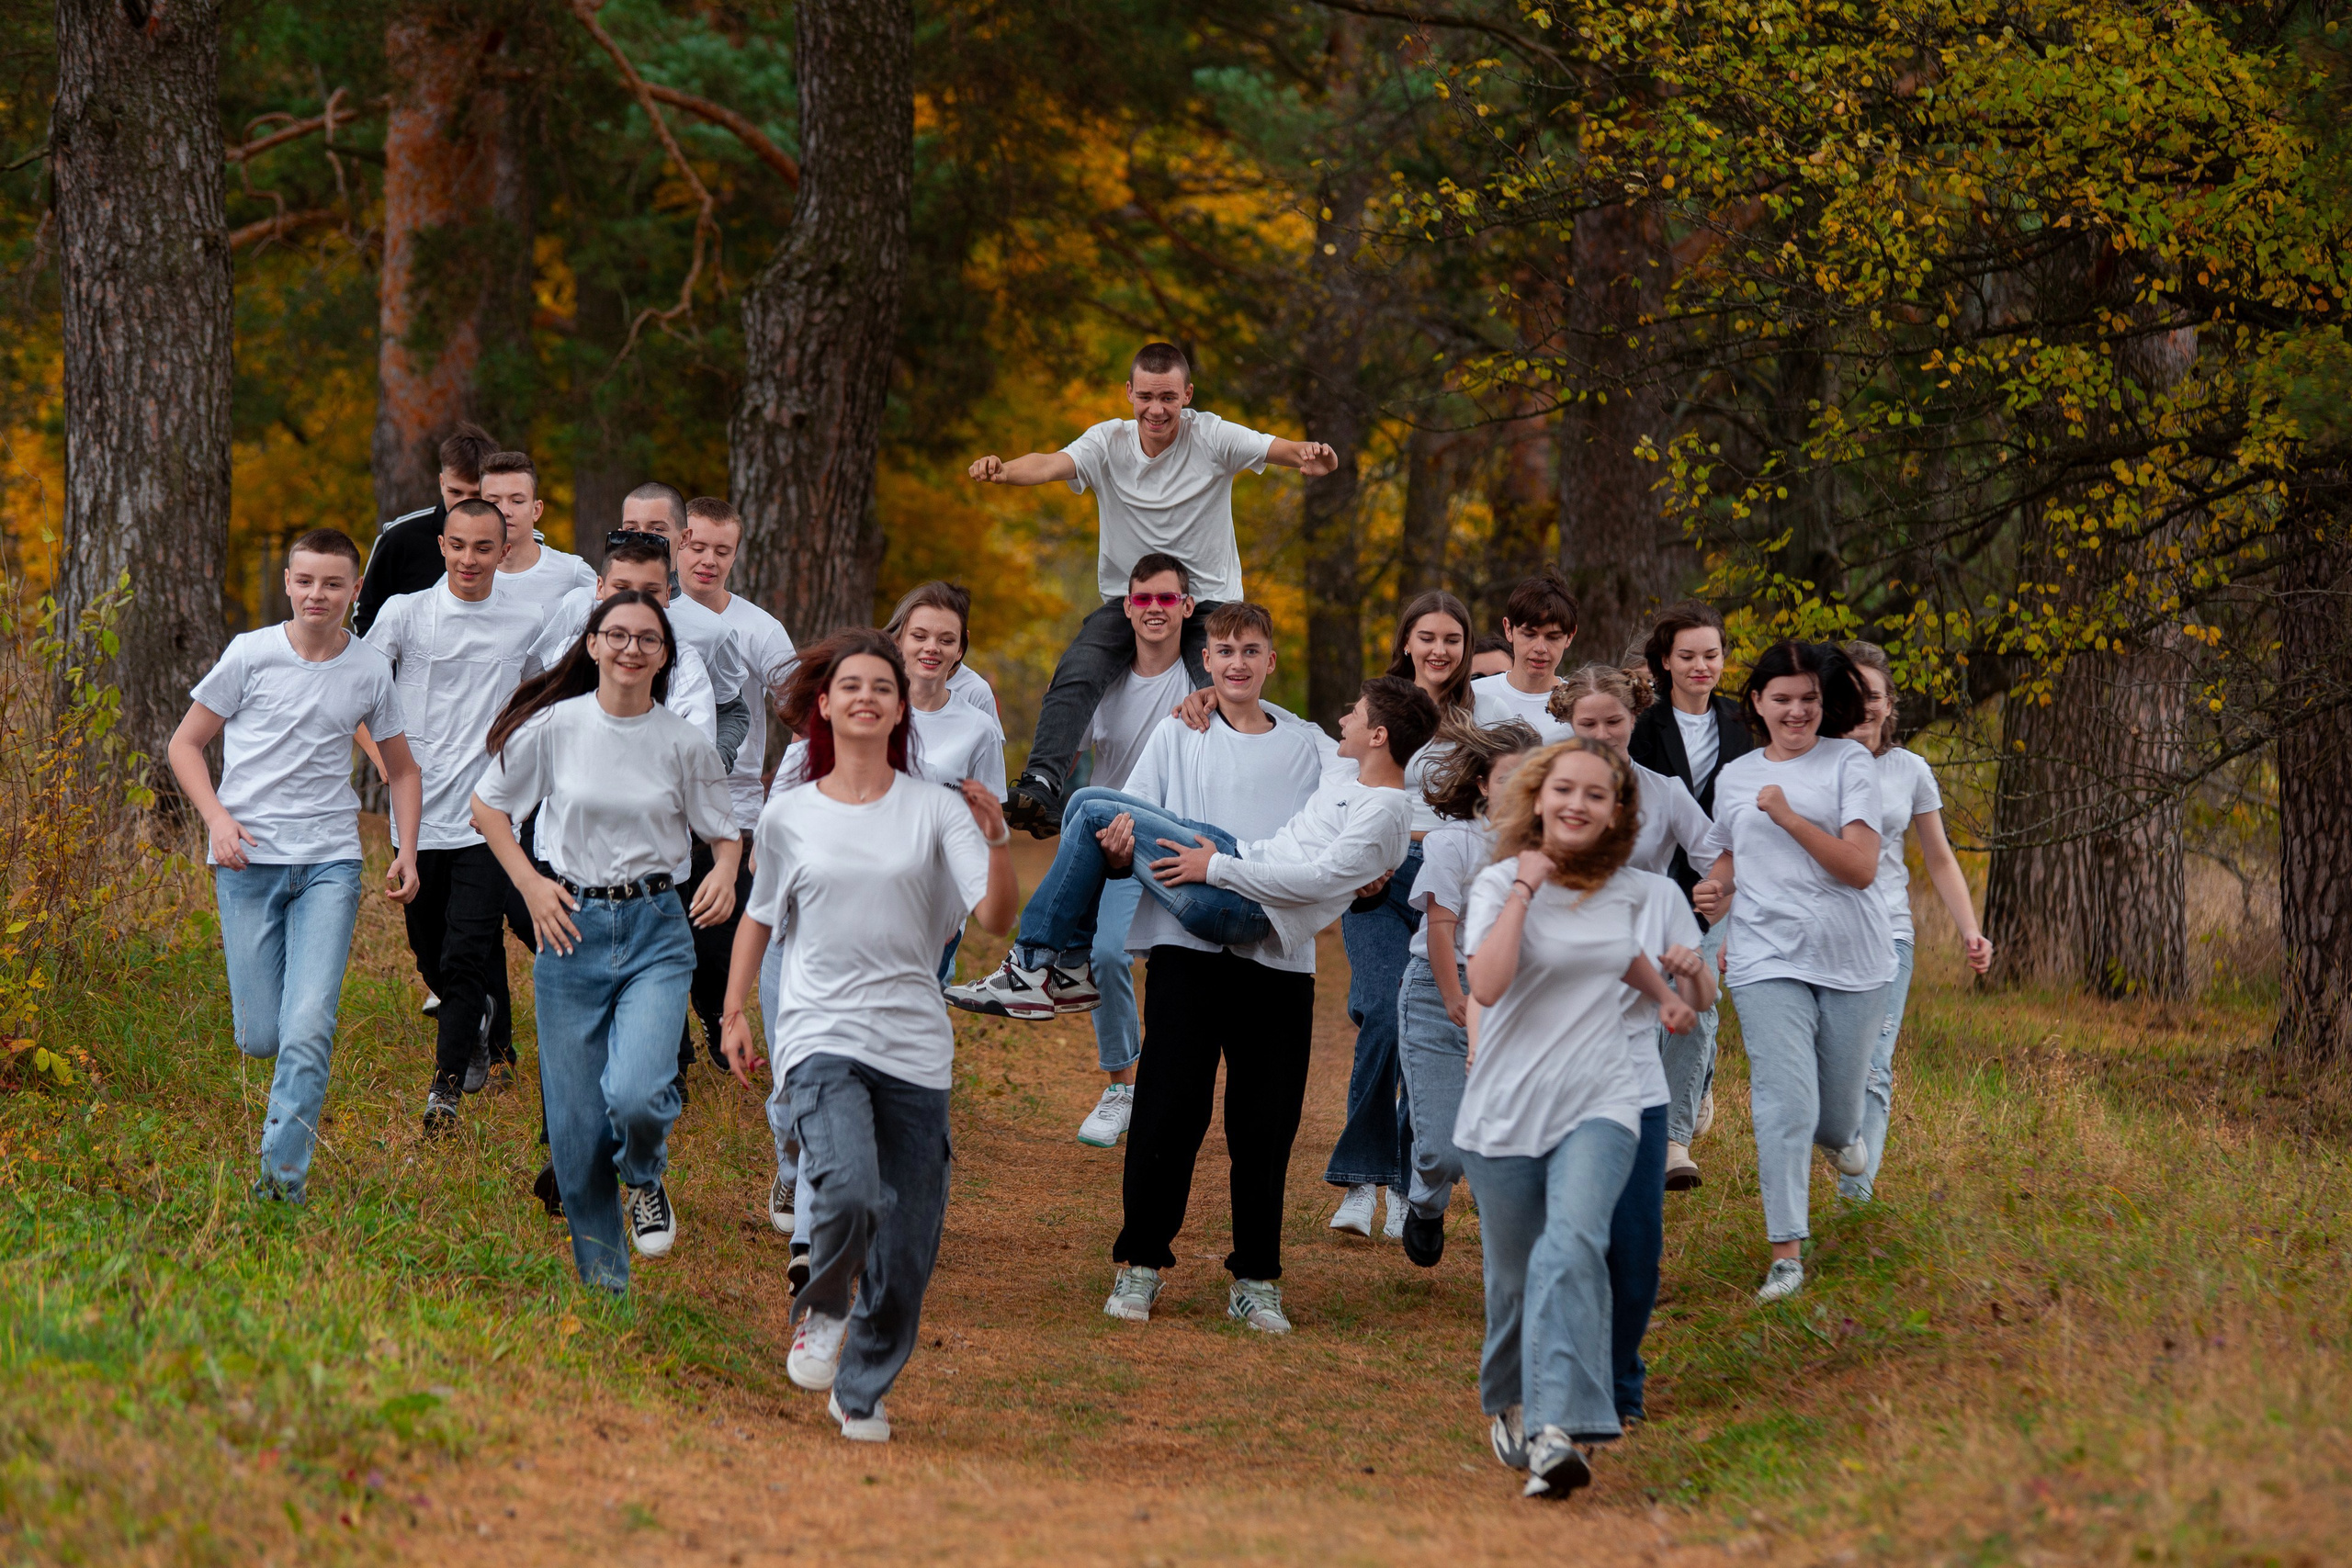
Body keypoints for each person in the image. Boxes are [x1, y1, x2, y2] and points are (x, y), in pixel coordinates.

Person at [716, 630, 1018, 1445]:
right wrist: (736, 1008)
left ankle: (862, 1388)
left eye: (881, 687)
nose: (866, 697)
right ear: (825, 704)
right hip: (821, 1033)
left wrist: (996, 840)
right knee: (847, 1187)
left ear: (896, 709)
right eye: (851, 685)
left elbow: (992, 918)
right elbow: (761, 914)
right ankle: (822, 1307)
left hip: (914, 1045)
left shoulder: (934, 808)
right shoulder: (789, 814)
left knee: (911, 1241)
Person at [472, 592, 741, 1288]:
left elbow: (723, 828)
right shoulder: (557, 726)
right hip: (570, 929)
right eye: (615, 634)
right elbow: (488, 805)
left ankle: (645, 1173)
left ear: (664, 655)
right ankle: (605, 1292)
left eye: (646, 639)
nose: (629, 648)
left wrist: (729, 872)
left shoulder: (683, 742)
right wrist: (531, 884)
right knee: (575, 1132)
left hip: (656, 928)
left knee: (637, 1094)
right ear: (591, 644)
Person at [966, 342, 1339, 835]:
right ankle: (1042, 784)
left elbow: (1273, 447)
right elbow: (1052, 463)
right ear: (1128, 394)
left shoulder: (1212, 435)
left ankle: (1232, 801)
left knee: (1221, 692)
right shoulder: (1106, 443)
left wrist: (1308, 455)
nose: (1156, 409)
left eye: (1167, 397)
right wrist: (1005, 470)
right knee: (1078, 670)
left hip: (1209, 603)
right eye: (1145, 397)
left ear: (1187, 394)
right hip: (1134, 601)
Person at [1458, 739, 1695, 1499]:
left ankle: (1558, 1430)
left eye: (1597, 794)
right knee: (1517, 1280)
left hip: (1601, 1100)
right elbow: (1487, 987)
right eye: (1565, 789)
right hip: (1506, 1105)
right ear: (1537, 796)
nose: (1578, 805)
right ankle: (1510, 1401)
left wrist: (1663, 993)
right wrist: (1527, 889)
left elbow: (1621, 952)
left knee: (1575, 1244)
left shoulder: (1630, 890)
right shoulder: (1499, 882)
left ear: (1618, 811)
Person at [167, 529, 425, 1202]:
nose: (318, 594)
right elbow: (185, 745)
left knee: (310, 1026)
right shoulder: (250, 655)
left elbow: (402, 770)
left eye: (333, 583)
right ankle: (278, 1082)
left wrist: (406, 849)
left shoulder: (368, 669)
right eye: (306, 580)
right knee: (263, 1036)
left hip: (329, 864)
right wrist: (218, 820)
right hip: (246, 860)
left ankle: (280, 1185)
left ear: (354, 591)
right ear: (288, 582)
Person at [1691, 641, 1895, 1304]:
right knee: (1784, 1102)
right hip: (1764, 957)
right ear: (1757, 702)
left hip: (1853, 959)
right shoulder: (1736, 776)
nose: (1797, 710)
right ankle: (1786, 1255)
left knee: (1832, 1119)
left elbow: (1861, 867)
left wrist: (1788, 817)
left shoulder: (1851, 763)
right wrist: (1716, 889)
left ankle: (1841, 1138)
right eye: (1782, 698)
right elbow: (1727, 857)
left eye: (1809, 697)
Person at [363, 499, 548, 1132]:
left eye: (484, 547)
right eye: (459, 546)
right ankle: (472, 1024)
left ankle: (443, 1087)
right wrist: (387, 764)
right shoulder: (404, 613)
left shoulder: (527, 620)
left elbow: (541, 703)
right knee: (430, 950)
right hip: (416, 814)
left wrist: (520, 779)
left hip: (487, 815)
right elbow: (356, 691)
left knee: (470, 946)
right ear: (442, 545)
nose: (470, 559)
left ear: (504, 551)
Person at [1327, 591, 1476, 1240]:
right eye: (1427, 637)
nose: (1439, 649)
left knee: (1433, 1028)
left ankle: (1411, 1178)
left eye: (1451, 638)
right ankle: (1362, 1179)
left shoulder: (1481, 713)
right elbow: (1337, 770)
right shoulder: (1380, 707)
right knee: (1384, 1012)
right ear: (1407, 642)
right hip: (1379, 880)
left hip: (1447, 886)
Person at [1836, 642, 1994, 1202]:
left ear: (1888, 703)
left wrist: (1970, 930)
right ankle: (1832, 1135)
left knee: (1875, 1066)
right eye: (1852, 694)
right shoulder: (1812, 761)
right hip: (1822, 935)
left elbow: (1939, 856)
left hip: (1889, 935)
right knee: (1828, 1063)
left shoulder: (1910, 770)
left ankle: (1855, 1201)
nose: (1863, 706)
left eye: (1872, 695)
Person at [1554, 661, 1719, 1190]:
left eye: (1614, 723)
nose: (1602, 735)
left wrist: (1716, 910)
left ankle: (1670, 1138)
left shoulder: (1665, 792)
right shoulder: (1547, 788)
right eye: (1588, 725)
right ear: (1569, 723)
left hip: (1650, 946)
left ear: (1635, 717)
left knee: (1697, 1002)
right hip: (1571, 946)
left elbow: (1718, 858)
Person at [1058, 554, 1201, 1148]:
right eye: (1143, 599)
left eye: (1167, 599)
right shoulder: (1103, 680)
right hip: (1116, 840)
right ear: (1126, 607)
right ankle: (1121, 1086)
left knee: (1185, 973)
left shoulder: (1205, 681)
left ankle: (1177, 1093)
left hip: (1181, 840)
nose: (1154, 611)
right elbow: (1066, 746)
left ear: (1187, 607)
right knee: (1108, 954)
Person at [1394, 716, 1542, 1267]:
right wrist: (1456, 996)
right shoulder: (1452, 843)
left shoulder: (1550, 848)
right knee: (1443, 1149)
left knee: (1504, 1140)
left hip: (1513, 1003)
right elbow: (1439, 927)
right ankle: (1426, 1202)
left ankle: (1513, 1254)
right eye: (1508, 778)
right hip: (1440, 994)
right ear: (1483, 784)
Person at [1628, 602, 1754, 1189]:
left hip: (1722, 880)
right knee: (1652, 1005)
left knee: (1699, 1004)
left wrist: (1726, 884)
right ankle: (1675, 1096)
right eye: (1687, 656)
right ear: (1664, 662)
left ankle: (1674, 1142)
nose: (1701, 666)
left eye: (1711, 654)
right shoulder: (1640, 726)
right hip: (1656, 877)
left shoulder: (1744, 725)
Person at [356, 421, 498, 637]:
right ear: (442, 482)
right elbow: (366, 616)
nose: (464, 504)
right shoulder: (400, 537)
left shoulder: (520, 542)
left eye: (476, 494)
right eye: (455, 492)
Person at [479, 450, 598, 620]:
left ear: (536, 510)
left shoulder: (572, 572)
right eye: (493, 502)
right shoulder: (463, 574)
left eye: (517, 501)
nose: (504, 511)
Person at [1470, 576, 1578, 741]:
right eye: (1529, 635)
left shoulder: (1580, 706)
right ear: (1508, 629)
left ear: (1570, 636)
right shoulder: (1472, 695)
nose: (1540, 648)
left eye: (1553, 637)